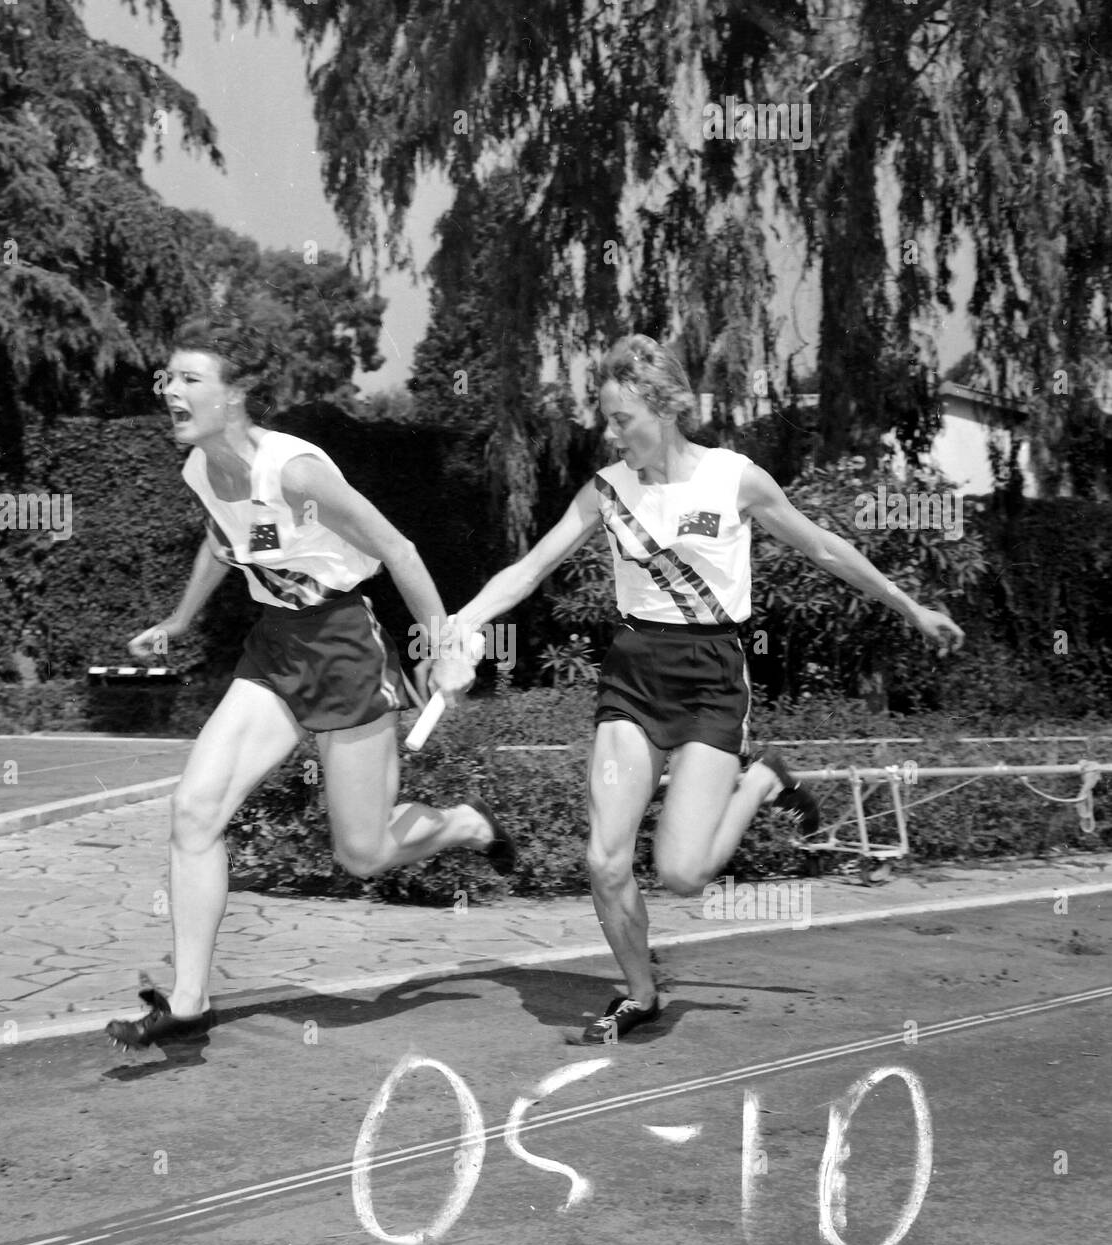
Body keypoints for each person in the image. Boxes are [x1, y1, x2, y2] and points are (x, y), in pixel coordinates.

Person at [445, 334, 965, 1045]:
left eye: (620, 417)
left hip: (714, 678)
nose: (609, 430)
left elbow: (822, 547)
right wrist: (463, 620)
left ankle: (760, 781)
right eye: (605, 416)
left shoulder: (733, 478)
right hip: (633, 675)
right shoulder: (606, 491)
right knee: (604, 859)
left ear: (663, 408)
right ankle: (639, 992)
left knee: (684, 873)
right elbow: (530, 568)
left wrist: (908, 606)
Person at [106, 315, 512, 1050]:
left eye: (190, 378)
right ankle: (190, 1000)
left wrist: (445, 645)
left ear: (234, 396)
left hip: (343, 648)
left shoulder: (296, 472)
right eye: (168, 377)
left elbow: (397, 546)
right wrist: (179, 618)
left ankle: (462, 825)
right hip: (274, 650)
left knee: (362, 854)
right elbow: (222, 540)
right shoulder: (201, 468)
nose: (170, 389)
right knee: (195, 810)